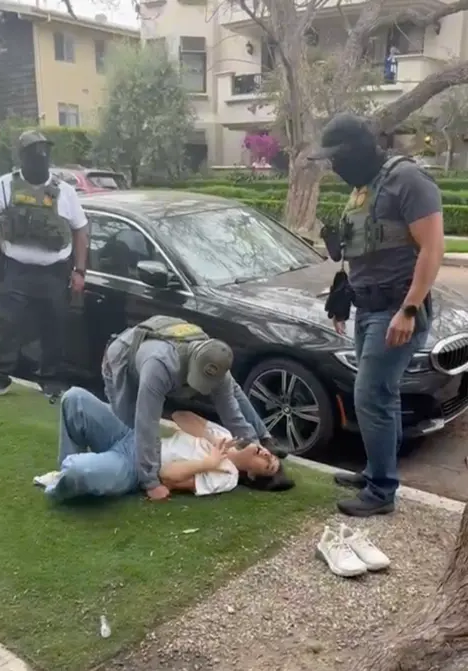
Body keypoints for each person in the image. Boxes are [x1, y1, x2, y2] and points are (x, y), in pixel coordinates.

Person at [309, 113, 444, 517]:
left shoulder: (408, 180)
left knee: (372, 395)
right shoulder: (364, 188)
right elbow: (365, 253)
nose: (334, 166)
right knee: (378, 395)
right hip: (368, 308)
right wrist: (343, 295)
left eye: (337, 157)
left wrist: (409, 309)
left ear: (357, 151)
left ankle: (382, 490)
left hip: (396, 309)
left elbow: (433, 249)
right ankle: (376, 471)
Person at [102, 315, 285, 501]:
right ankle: (116, 456)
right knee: (126, 426)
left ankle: (117, 460)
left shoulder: (217, 364)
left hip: (164, 348)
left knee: (231, 391)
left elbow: (233, 413)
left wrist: (255, 442)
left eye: (267, 462)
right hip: (124, 356)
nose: (266, 456)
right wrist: (150, 482)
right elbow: (147, 422)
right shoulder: (160, 367)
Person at [33, 386, 294, 501]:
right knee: (75, 398)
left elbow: (167, 477)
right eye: (270, 455)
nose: (266, 455)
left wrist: (209, 462)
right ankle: (63, 472)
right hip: (136, 434)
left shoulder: (227, 477)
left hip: (137, 466)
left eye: (267, 465)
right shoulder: (226, 436)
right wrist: (213, 438)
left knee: (80, 470)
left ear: (252, 475)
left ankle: (64, 479)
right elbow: (180, 416)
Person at [0, 130, 88, 399]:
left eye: (44, 152)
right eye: (34, 152)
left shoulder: (65, 191)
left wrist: (80, 270)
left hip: (54, 274)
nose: (40, 157)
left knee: (54, 328)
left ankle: (51, 380)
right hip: (15, 270)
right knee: (7, 326)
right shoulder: (5, 186)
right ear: (22, 157)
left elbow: (80, 230)